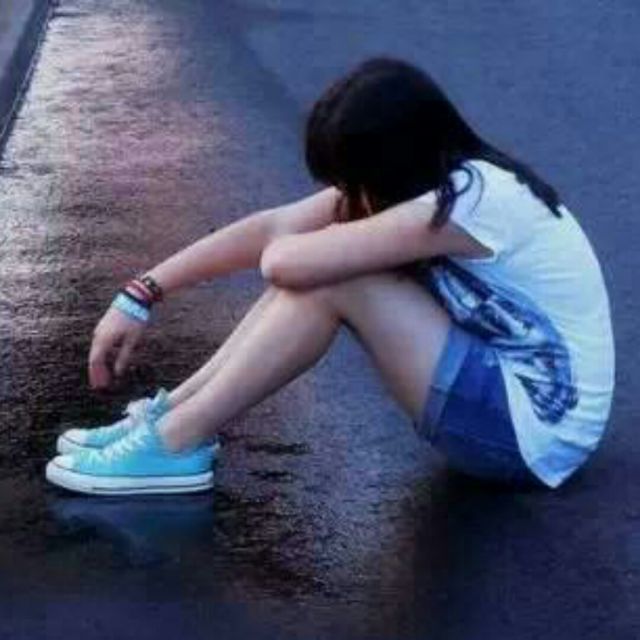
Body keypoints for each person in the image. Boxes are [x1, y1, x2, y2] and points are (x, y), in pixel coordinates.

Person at [45, 56, 615, 495]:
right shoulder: (440, 181)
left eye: (350, 182)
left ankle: (174, 443)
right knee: (320, 269)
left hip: (529, 436)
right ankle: (169, 423)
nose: (346, 195)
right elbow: (273, 229)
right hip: (503, 406)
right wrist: (141, 293)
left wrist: (317, 237)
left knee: (333, 278)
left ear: (392, 162)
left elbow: (281, 259)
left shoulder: (468, 205)